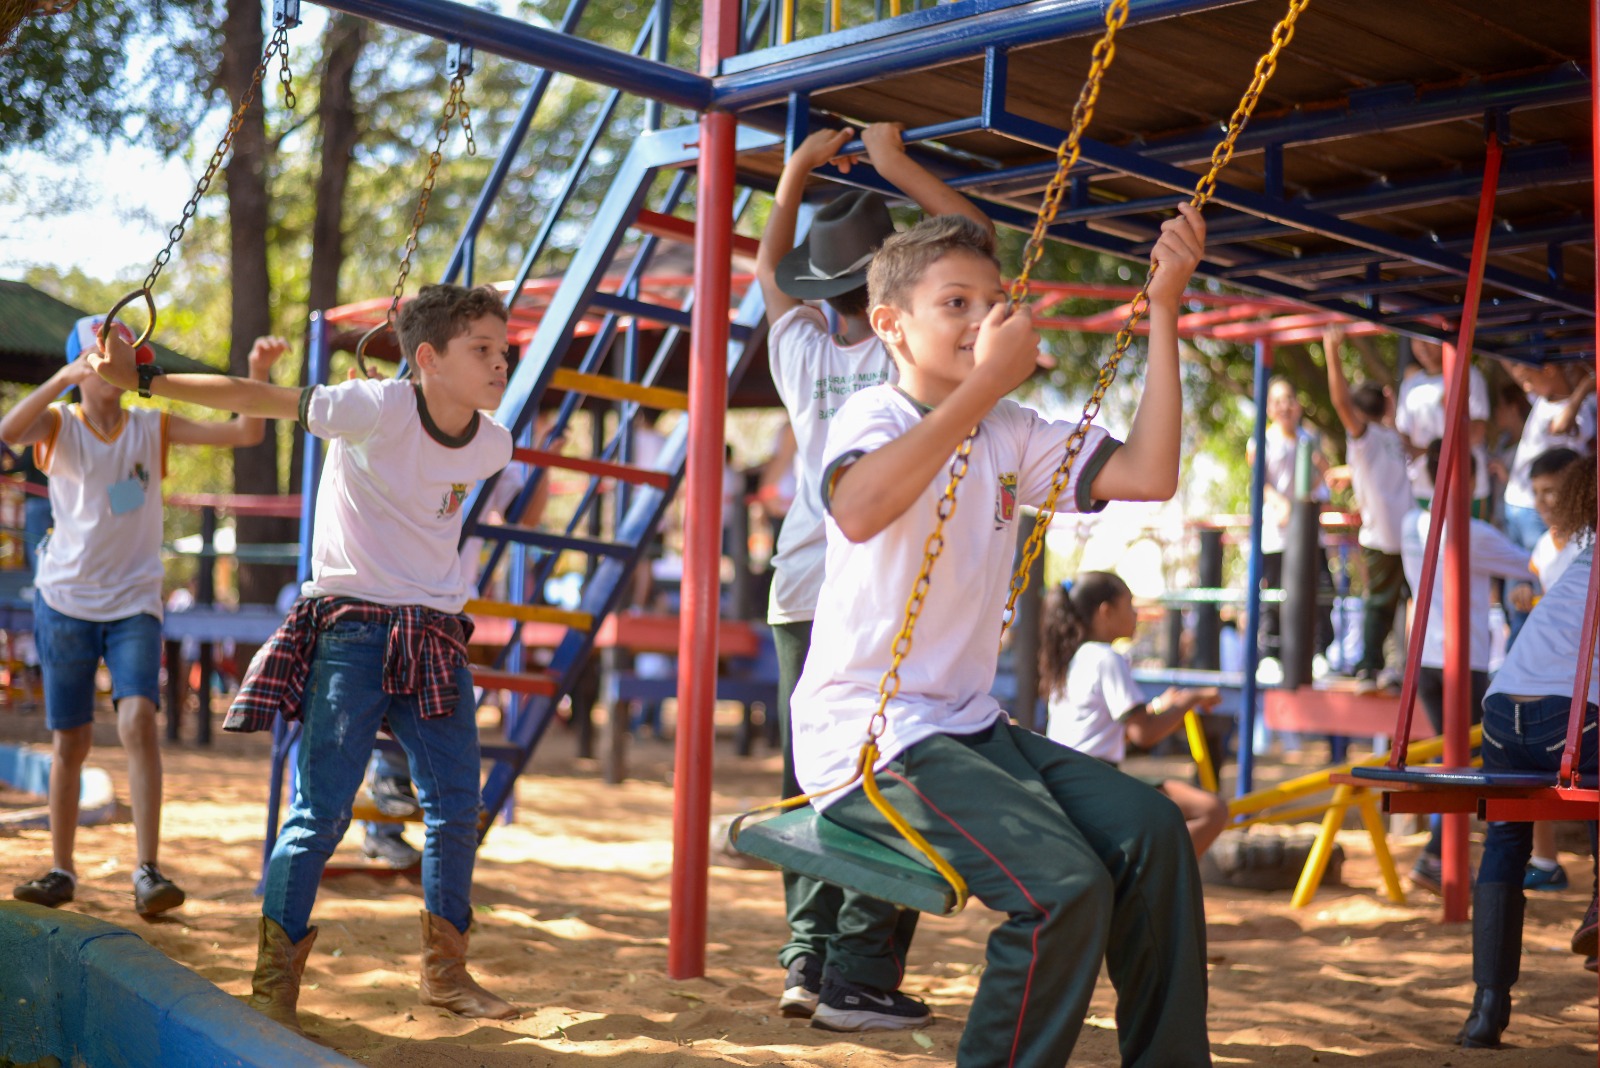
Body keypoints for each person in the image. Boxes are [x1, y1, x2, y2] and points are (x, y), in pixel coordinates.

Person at [791, 206, 1210, 1065]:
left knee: (1153, 832)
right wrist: (985, 384)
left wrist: (1163, 307)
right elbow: (861, 507)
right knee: (1061, 890)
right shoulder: (875, 415)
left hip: (968, 727)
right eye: (955, 303)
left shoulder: (1009, 431)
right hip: (869, 737)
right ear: (890, 326)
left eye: (994, 300)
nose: (983, 318)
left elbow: (1151, 472)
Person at [89, 283, 518, 1032]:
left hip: (436, 632)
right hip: (351, 629)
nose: (499, 362)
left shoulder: (492, 443)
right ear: (427, 359)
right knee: (319, 811)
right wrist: (144, 380)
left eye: (502, 350)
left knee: (457, 806)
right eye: (480, 349)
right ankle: (275, 978)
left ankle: (446, 973)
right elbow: (259, 395)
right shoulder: (373, 407)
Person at [755, 121, 997, 1031]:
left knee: (810, 776)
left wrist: (791, 179)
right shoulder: (907, 362)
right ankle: (860, 966)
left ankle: (805, 958)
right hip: (878, 584)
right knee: (891, 771)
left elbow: (768, 273)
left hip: (799, 584)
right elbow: (974, 247)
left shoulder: (803, 353)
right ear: (897, 296)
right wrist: (896, 163)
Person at [3, 319, 284, 916]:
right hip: (65, 602)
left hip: (135, 600)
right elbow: (8, 432)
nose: (129, 365)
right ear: (86, 362)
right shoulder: (60, 424)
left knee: (137, 722)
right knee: (70, 742)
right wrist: (62, 378)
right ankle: (61, 869)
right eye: (114, 353)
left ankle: (148, 870)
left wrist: (259, 375)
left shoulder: (152, 426)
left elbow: (246, 432)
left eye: (135, 355)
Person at [1456, 453, 1598, 1049]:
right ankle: (1597, 909)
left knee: (1506, 839)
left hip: (1501, 711)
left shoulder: (1579, 561)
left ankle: (1485, 1013)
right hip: (1564, 717)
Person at [1399, 441, 1533, 892]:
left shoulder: (1409, 525)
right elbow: (1534, 563)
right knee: (1467, 762)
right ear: (1471, 480)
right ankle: (1437, 852)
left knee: (1450, 758)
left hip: (1423, 657)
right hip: (1464, 658)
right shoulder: (1473, 532)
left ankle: (1439, 852)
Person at [1040, 572, 1227, 856]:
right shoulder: (1107, 658)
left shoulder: (1074, 658)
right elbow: (1144, 734)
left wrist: (1159, 708)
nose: (1137, 613)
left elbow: (1103, 728)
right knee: (1211, 810)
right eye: (1130, 605)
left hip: (1068, 779)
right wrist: (1190, 699)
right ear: (1106, 612)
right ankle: (1156, 876)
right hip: (1096, 782)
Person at [1504, 446, 1584, 892]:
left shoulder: (1586, 539)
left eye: (1554, 492)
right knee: (1531, 765)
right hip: (1555, 669)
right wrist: (1522, 593)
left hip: (1580, 670)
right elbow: (1537, 588)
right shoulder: (1543, 543)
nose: (1545, 502)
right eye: (1537, 494)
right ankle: (1545, 858)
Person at [1320, 325, 1412, 692]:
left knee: (1382, 603)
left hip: (1386, 533)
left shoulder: (1373, 437)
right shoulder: (1390, 438)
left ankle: (1375, 668)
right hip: (1400, 531)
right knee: (1394, 602)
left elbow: (1341, 402)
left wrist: (1332, 352)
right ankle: (1382, 667)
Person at [1497, 359, 1595, 644]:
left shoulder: (1578, 413)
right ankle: (1515, 651)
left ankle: (1518, 645)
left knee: (1540, 589)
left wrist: (1585, 387)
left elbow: (1562, 425)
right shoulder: (1541, 397)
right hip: (1517, 502)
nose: (1524, 385)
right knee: (1521, 589)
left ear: (1551, 370)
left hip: (1532, 512)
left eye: (1528, 377)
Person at [1247, 375, 1334, 673]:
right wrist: (1281, 503)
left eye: (1289, 399)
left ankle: (1320, 651)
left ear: (1297, 405)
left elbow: (1323, 476)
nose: (1285, 406)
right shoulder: (1262, 440)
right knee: (1273, 593)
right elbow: (1260, 482)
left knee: (1321, 589)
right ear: (1269, 408)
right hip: (1276, 534)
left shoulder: (1310, 439)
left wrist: (1305, 498)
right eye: (1277, 401)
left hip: (1308, 533)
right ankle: (1271, 653)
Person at [1395, 338, 1491, 509]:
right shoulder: (1410, 384)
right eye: (1416, 340)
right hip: (1423, 488)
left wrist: (1429, 452)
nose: (1422, 346)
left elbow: (1477, 433)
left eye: (1427, 340)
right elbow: (1403, 437)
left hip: (1467, 488)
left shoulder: (1469, 375)